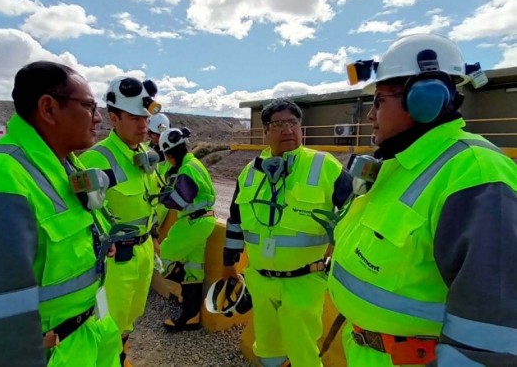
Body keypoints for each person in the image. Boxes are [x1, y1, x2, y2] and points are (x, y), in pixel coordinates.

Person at [330, 33, 517, 367]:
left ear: (424, 98)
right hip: (364, 350)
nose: (371, 115)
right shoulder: (397, 165)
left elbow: (490, 338)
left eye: (379, 101)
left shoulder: (475, 173)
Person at [0, 61, 121, 367]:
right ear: (48, 108)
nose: (98, 118)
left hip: (90, 335)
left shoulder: (65, 166)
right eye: (88, 106)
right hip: (50, 353)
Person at [222, 98, 353, 367]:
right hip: (260, 282)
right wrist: (228, 265)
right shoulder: (248, 173)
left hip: (304, 283)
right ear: (265, 132)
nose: (287, 130)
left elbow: (357, 216)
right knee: (268, 351)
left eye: (293, 123)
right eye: (279, 124)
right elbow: (235, 222)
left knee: (303, 354)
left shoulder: (326, 166)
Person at [80, 77, 159, 366]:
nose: (143, 124)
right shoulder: (95, 159)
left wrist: (155, 240)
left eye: (146, 118)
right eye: (135, 117)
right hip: (115, 259)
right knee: (108, 321)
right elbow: (84, 217)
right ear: (113, 118)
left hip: (144, 250)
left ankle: (121, 355)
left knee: (130, 317)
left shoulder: (144, 155)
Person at [157, 127, 217, 331]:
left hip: (193, 222)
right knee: (194, 270)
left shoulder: (187, 169)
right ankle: (191, 316)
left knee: (161, 255)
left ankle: (177, 278)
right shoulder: (193, 163)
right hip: (202, 221)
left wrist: (157, 198)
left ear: (170, 155)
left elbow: (179, 200)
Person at [145, 113, 172, 230]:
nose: (160, 138)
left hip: (160, 207)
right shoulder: (142, 150)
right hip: (142, 202)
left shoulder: (173, 155)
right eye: (157, 135)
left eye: (163, 135)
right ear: (149, 133)